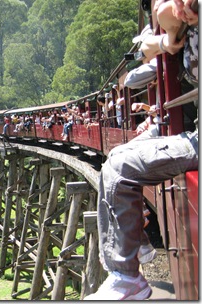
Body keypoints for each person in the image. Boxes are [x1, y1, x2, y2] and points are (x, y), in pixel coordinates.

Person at [84, 0, 198, 300]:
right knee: (116, 161)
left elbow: (163, 16)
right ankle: (134, 246)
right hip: (186, 129)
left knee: (119, 165)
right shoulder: (178, 24)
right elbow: (158, 27)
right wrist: (163, 38)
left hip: (189, 133)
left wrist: (165, 35)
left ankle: (128, 267)